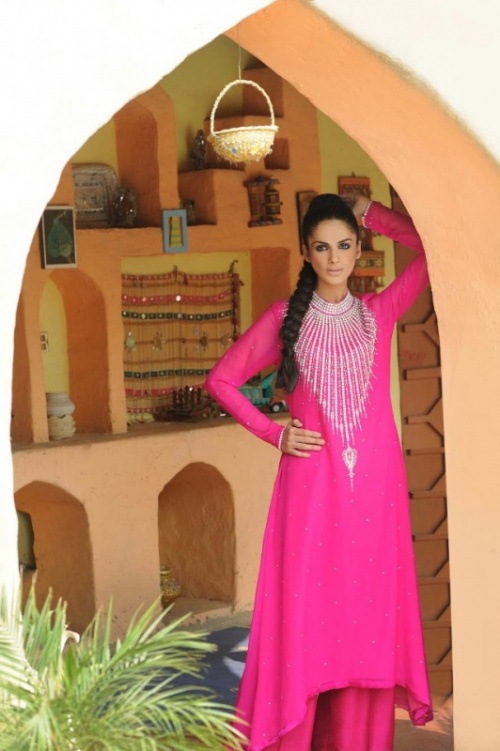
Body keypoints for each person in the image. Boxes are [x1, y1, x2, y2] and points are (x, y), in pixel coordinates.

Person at [204, 194, 433, 751]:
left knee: (366, 624)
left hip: (375, 496)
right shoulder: (285, 319)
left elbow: (428, 249)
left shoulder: (379, 312)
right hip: (311, 495)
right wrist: (276, 433)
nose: (335, 258)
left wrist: (371, 210)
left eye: (345, 245)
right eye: (323, 247)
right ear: (306, 252)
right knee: (310, 622)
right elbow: (221, 381)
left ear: (358, 248)